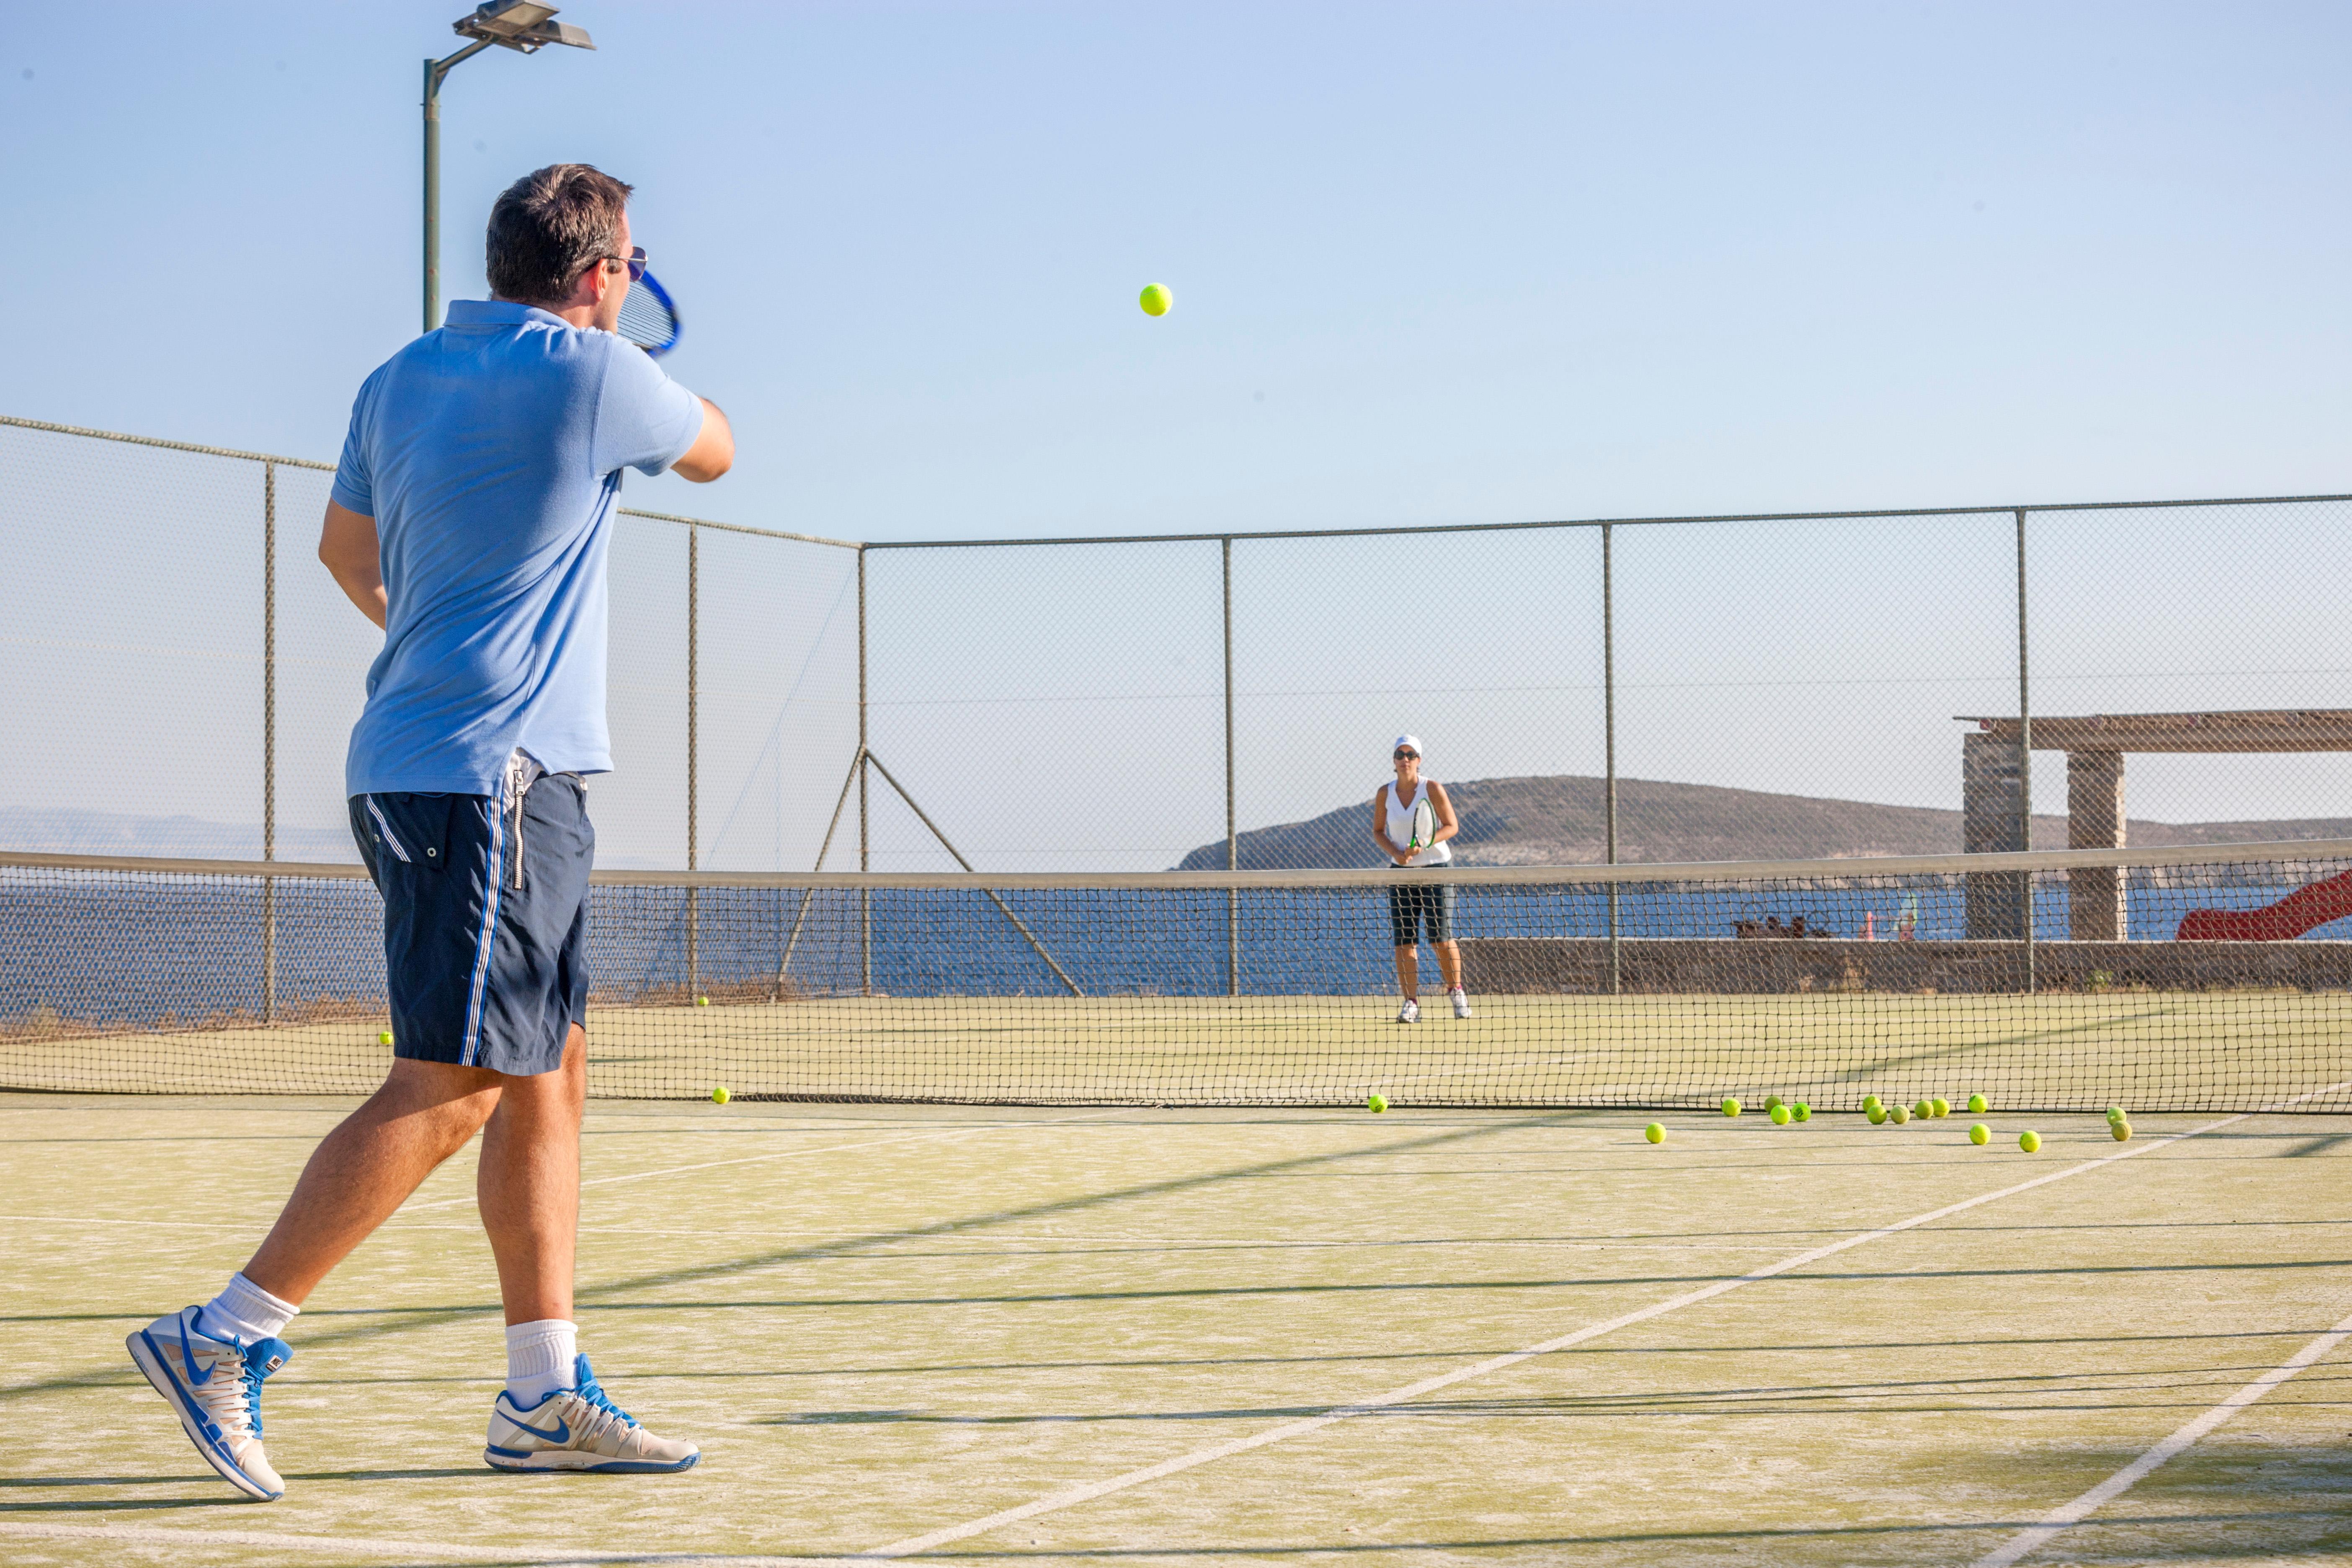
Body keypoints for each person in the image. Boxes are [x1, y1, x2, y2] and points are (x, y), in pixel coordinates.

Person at [125, 165, 735, 1500]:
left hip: (465, 766)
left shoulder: (396, 379)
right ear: (599, 272)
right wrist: (618, 343)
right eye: (625, 260)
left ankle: (541, 1392)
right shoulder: (595, 372)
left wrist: (442, 643)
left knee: (547, 1075)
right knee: (454, 1086)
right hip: (492, 781)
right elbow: (719, 446)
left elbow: (351, 557)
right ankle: (223, 1336)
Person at [1372, 735, 1473, 1022]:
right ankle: (1411, 1003)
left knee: (1441, 939)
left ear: (1419, 760)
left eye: (1411, 755)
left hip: (1437, 869)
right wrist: (1396, 852)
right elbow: (1378, 830)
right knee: (1405, 942)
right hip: (1401, 875)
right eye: (1400, 755)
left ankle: (1457, 993)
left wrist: (1424, 844)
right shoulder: (1385, 793)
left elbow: (1451, 826)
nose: (1405, 760)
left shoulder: (1432, 789)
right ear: (1394, 760)